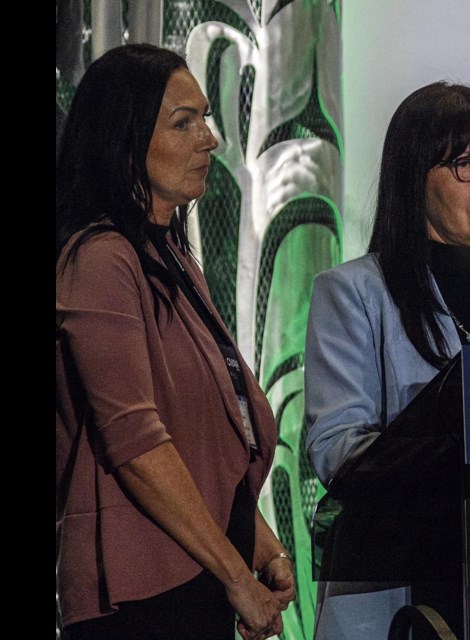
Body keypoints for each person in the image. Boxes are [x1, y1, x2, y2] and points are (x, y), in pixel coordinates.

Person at [303, 81, 470, 639]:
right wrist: (460, 442)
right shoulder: (355, 292)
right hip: (402, 589)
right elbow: (335, 449)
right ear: (414, 178)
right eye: (466, 164)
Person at [56, 44, 294, 640]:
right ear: (125, 139)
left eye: (206, 118)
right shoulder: (101, 260)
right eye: (183, 123)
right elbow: (137, 447)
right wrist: (237, 575)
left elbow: (201, 438)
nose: (209, 139)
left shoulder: (170, 259)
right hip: (139, 593)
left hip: (191, 578)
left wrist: (256, 540)